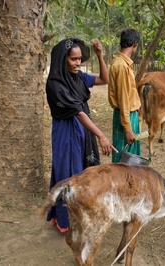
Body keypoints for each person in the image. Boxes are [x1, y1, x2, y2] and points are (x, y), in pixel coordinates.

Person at [45, 38, 113, 236]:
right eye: (73, 59)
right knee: (67, 173)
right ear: (62, 59)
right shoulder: (55, 84)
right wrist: (101, 135)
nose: (77, 63)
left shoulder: (79, 78)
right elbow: (77, 112)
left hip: (82, 129)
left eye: (80, 59)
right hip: (66, 132)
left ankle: (80, 214)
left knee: (83, 171)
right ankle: (65, 221)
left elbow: (104, 80)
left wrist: (100, 55)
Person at [108, 29, 142, 163]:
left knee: (131, 157)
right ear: (135, 44)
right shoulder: (122, 66)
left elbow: (129, 92)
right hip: (126, 115)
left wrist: (136, 104)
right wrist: (128, 129)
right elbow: (123, 99)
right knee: (124, 158)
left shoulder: (121, 62)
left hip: (129, 113)